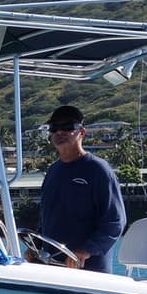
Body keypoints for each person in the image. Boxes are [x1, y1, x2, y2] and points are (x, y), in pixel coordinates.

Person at [34, 104, 125, 271]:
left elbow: (115, 221)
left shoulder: (98, 170)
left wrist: (85, 251)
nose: (59, 132)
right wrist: (36, 246)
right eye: (54, 128)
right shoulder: (53, 171)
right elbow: (45, 220)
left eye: (67, 127)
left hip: (89, 273)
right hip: (51, 270)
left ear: (82, 132)